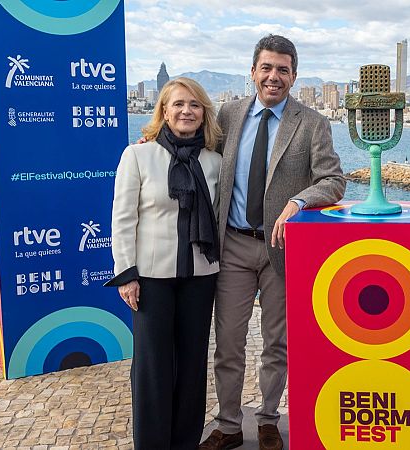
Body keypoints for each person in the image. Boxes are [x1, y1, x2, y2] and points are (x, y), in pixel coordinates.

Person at [199, 34, 345, 450]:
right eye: (266, 67)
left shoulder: (312, 123)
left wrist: (299, 201)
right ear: (253, 72)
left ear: (294, 76)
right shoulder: (229, 114)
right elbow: (197, 150)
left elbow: (333, 180)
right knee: (228, 343)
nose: (273, 76)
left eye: (283, 69)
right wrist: (153, 142)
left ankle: (267, 419)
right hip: (232, 245)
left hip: (282, 250)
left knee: (276, 343)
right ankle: (228, 424)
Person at [106, 77, 223, 449]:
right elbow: (123, 219)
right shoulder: (138, 155)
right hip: (150, 279)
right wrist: (126, 274)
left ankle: (185, 442)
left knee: (192, 366)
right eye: (178, 104)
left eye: (194, 104)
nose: (187, 111)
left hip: (200, 276)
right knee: (152, 368)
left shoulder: (215, 161)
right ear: (164, 111)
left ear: (204, 113)